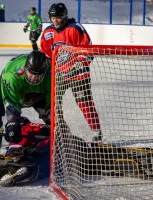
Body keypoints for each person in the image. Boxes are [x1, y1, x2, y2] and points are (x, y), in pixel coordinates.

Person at [40, 3, 102, 141]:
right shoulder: (48, 33)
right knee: (52, 102)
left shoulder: (75, 28)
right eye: (52, 17)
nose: (55, 20)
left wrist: (80, 62)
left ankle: (96, 131)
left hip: (78, 72)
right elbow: (45, 53)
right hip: (59, 74)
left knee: (84, 101)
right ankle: (59, 129)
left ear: (64, 16)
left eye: (58, 17)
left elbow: (88, 47)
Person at [0, 51, 51, 157]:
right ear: (25, 68)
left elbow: (51, 105)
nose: (33, 78)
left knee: (54, 121)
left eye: (37, 75)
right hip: (15, 84)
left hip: (40, 90)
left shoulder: (52, 76)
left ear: (44, 71)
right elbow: (11, 104)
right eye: (31, 74)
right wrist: (12, 124)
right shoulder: (12, 76)